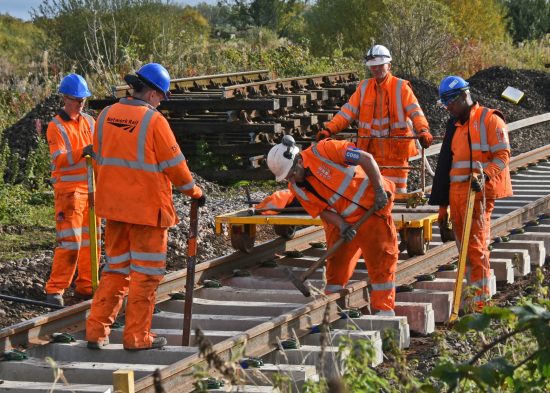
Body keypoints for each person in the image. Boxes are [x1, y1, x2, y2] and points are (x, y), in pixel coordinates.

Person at [86, 63, 205, 350]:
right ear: (152, 93)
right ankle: (137, 337)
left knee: (116, 270)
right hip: (147, 212)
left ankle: (96, 331)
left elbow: (101, 158)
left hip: (115, 210)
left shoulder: (105, 115)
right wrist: (194, 191)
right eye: (162, 97)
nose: (161, 102)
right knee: (146, 275)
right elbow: (175, 166)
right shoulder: (154, 122)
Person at [267, 135, 398, 315]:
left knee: (381, 260)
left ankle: (384, 311)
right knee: (336, 265)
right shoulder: (296, 188)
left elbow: (366, 158)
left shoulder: (324, 151)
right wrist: (342, 225)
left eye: (291, 175)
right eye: (286, 178)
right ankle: (332, 309)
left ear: (298, 162)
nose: (290, 180)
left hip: (373, 209)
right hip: (342, 220)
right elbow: (321, 211)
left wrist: (378, 190)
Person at [429, 76, 512, 311]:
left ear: (463, 96)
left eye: (450, 102)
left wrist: (484, 175)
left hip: (478, 196)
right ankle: (472, 297)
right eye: (445, 103)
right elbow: (446, 167)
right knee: (464, 252)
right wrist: (442, 209)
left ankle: (480, 305)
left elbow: (503, 156)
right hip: (456, 198)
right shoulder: (453, 126)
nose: (448, 108)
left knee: (475, 249)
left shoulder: (490, 119)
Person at [317, 44, 433, 194]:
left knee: (396, 195)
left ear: (389, 65)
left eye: (379, 65)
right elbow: (347, 112)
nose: (376, 69)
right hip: (370, 154)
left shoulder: (401, 87)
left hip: (395, 154)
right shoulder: (364, 87)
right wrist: (329, 129)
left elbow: (415, 112)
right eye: (373, 66)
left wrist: (423, 130)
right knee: (372, 195)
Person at [45, 74, 96, 306]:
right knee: (70, 243)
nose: (81, 103)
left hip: (90, 190)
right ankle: (55, 289)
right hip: (69, 194)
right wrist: (83, 151)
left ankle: (87, 286)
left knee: (90, 243)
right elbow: (60, 159)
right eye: (76, 99)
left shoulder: (89, 122)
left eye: (83, 99)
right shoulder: (55, 127)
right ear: (65, 98)